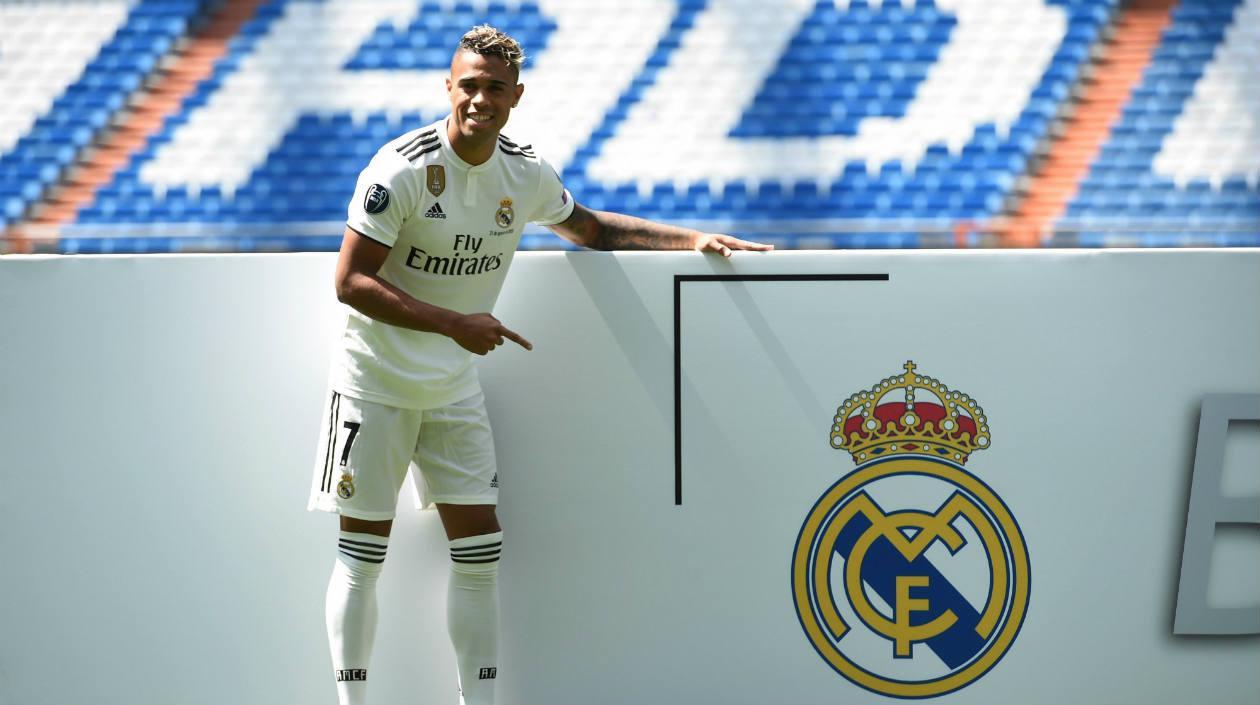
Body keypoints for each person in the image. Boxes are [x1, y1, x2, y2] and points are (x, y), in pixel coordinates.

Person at [307, 24, 771, 705]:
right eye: (468, 85)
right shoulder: (400, 168)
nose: (479, 99)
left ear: (515, 95)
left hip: (450, 386)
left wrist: (691, 237)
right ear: (448, 86)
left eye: (494, 88)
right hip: (372, 382)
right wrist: (454, 323)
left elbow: (592, 229)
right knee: (362, 557)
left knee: (480, 552)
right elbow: (350, 281)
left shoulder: (522, 174)